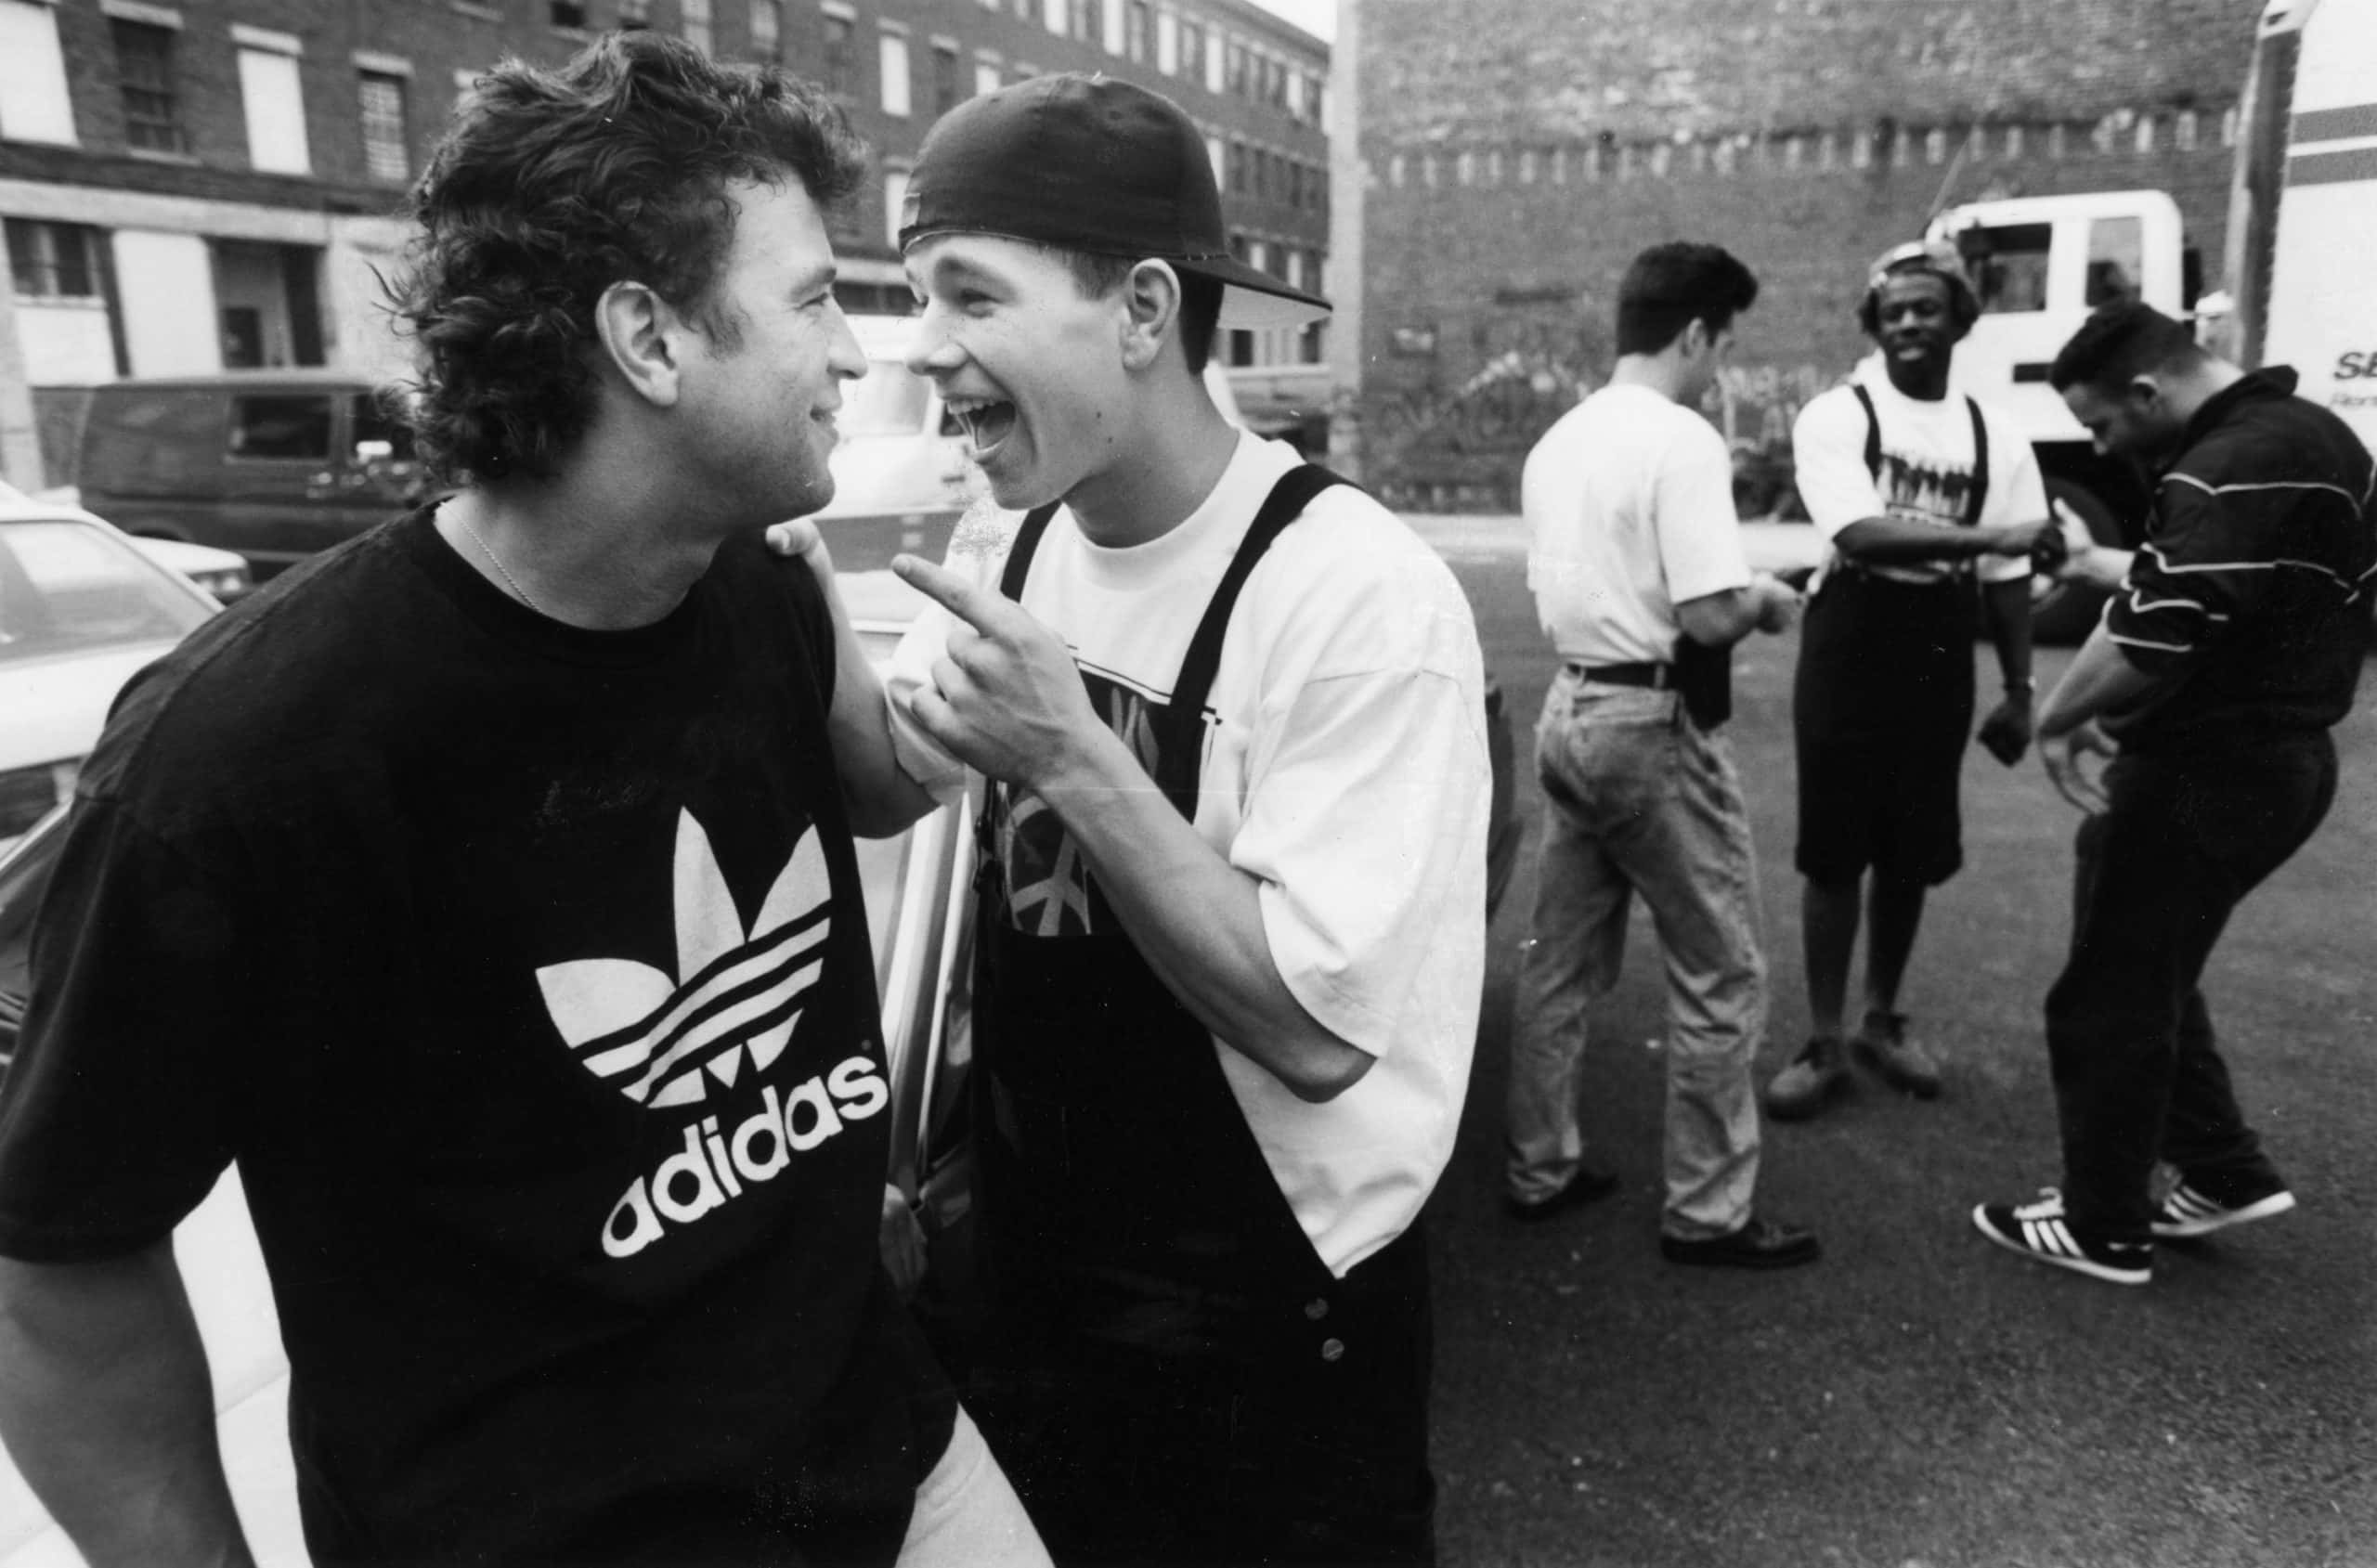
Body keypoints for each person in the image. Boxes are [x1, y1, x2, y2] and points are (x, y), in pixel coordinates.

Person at [0, 33, 1043, 1565]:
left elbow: (868, 787)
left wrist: (982, 725)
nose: (852, 355)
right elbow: (56, 1249)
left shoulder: (762, 584)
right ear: (648, 337)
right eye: (816, 298)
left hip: (880, 1445)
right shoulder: (249, 754)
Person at [831, 71, 1488, 1565]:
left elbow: (1317, 1034)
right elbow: (891, 776)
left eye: (970, 298)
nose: (928, 350)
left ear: (1139, 311)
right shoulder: (1023, 531)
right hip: (1042, 1279)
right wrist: (766, 550)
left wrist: (1071, 755)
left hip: (1273, 1342)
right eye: (916, 298)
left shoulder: (1357, 599)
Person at [1972, 302, 2374, 1286]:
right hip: (2274, 762)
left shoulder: (2224, 462)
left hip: (2211, 773)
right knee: (2150, 966)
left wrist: (2057, 718)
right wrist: (2093, 579)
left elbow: (2156, 626)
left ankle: (2104, 1224)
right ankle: (2220, 1167)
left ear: (2147, 392)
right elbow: (2178, 582)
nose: (2099, 444)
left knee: (2110, 991)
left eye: (2102, 423)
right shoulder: (2304, 434)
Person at [1500, 243, 1819, 1271]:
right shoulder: (1681, 441)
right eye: (1722, 346)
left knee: (1559, 963)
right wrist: (1769, 599)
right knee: (1722, 971)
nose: (1721, 367)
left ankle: (1540, 1165)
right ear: (1694, 333)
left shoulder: (1556, 443)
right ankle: (1708, 1212)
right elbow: (1710, 611)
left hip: (1569, 709)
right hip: (1650, 724)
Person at [1764, 239, 2057, 1120]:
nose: (1910, 324)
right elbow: (1856, 532)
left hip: (1938, 637)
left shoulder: (1995, 434)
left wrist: (2017, 688)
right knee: (1833, 847)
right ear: (1874, 326)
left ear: (1961, 320)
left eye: (1928, 308)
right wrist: (1990, 541)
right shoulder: (1838, 414)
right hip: (1853, 632)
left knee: (1911, 847)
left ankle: (1880, 1021)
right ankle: (1821, 1036)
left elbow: (2009, 583)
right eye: (1893, 312)